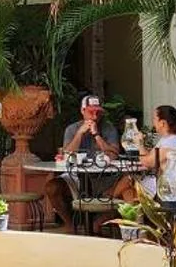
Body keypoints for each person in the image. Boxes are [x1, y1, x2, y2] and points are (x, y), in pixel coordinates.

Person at [44, 95, 121, 227]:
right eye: (91, 112)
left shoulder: (108, 128)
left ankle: (98, 223)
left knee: (126, 189)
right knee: (52, 187)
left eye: (98, 112)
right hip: (76, 176)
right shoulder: (72, 129)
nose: (95, 116)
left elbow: (113, 154)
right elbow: (67, 155)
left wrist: (96, 135)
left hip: (104, 177)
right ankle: (70, 225)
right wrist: (79, 134)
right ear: (82, 111)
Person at [141, 104, 176, 200]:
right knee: (128, 183)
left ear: (162, 123)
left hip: (173, 188)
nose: (153, 122)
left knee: (128, 183)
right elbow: (151, 157)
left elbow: (148, 163)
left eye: (154, 119)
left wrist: (139, 144)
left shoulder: (172, 142)